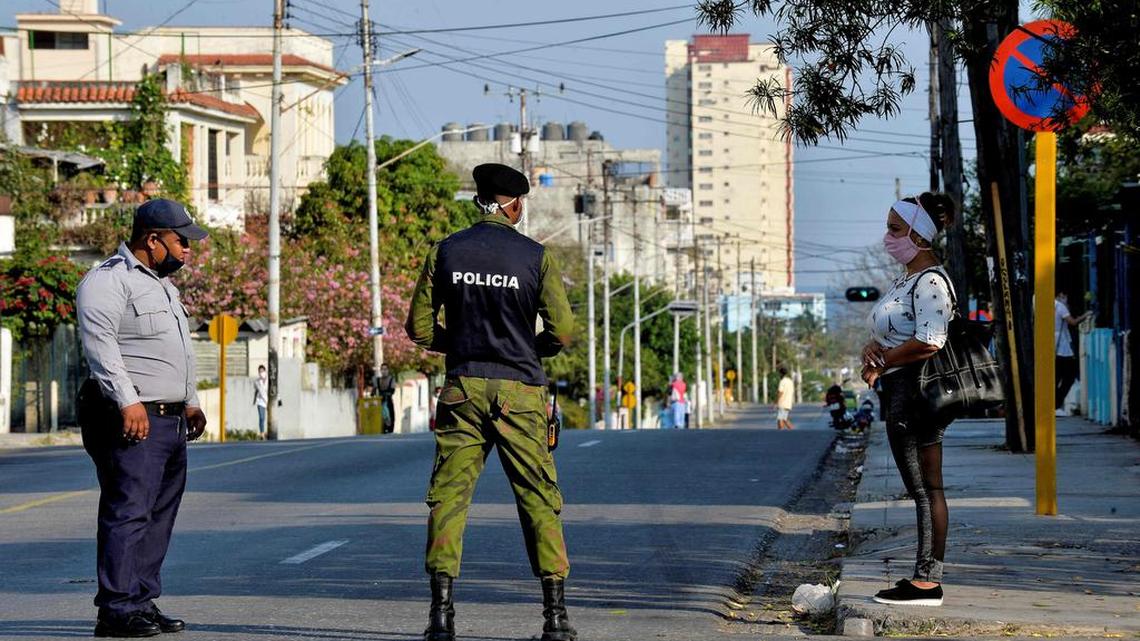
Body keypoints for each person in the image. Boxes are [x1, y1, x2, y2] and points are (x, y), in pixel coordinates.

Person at [405, 163, 577, 641]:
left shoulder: (445, 252)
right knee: (538, 497)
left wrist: (461, 342)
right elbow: (562, 332)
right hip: (521, 390)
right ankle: (556, 619)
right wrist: (526, 347)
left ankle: (441, 619)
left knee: (449, 499)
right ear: (514, 206)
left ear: (479, 201)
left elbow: (418, 329)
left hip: (462, 388)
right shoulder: (535, 257)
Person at [75, 199, 209, 637]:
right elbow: (102, 346)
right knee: (128, 511)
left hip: (168, 418)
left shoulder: (162, 286)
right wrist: (127, 401)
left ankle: (141, 600)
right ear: (152, 240)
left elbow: (176, 352)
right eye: (181, 242)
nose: (188, 250)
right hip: (132, 416)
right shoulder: (107, 281)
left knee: (158, 514)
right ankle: (115, 609)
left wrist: (189, 400)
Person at [861, 192, 959, 607]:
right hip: (901, 390)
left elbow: (929, 341)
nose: (888, 236)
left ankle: (927, 582)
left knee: (925, 489)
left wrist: (882, 361)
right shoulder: (906, 279)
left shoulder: (930, 281)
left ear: (920, 235)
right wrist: (874, 346)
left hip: (916, 391)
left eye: (895, 229)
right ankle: (923, 576)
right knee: (922, 488)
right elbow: (900, 331)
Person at [1054, 290, 1091, 416]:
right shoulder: (1060, 306)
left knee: (1057, 376)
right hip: (1062, 348)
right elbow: (1073, 322)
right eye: (1064, 296)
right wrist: (1086, 315)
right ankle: (1056, 404)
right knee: (1069, 375)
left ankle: (1055, 404)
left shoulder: (1046, 305)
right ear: (1060, 295)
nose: (1065, 299)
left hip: (1053, 345)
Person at [375, 364, 397, 433]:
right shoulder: (378, 380)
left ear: (388, 370)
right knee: (381, 417)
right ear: (380, 371)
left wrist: (389, 393)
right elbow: (374, 390)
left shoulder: (391, 379)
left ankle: (390, 430)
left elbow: (392, 390)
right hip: (380, 401)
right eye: (382, 369)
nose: (384, 371)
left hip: (388, 400)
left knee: (391, 416)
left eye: (385, 369)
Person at [253, 364, 269, 436]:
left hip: (269, 400)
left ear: (265, 371)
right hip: (260, 401)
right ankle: (262, 433)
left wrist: (279, 399)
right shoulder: (257, 381)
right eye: (260, 371)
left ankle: (269, 432)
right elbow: (256, 391)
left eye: (262, 371)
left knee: (270, 418)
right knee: (262, 417)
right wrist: (254, 400)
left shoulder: (269, 379)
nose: (261, 373)